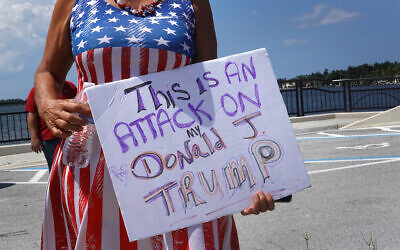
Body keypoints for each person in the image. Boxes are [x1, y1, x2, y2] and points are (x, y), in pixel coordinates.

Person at [34, 0, 275, 249]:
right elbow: (48, 71)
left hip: (181, 164)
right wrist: (46, 105)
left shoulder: (193, 2)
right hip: (90, 165)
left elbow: (210, 87)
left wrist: (242, 180)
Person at [25, 81, 77, 170]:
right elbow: (32, 114)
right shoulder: (37, 90)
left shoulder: (70, 86)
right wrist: (35, 138)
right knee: (55, 168)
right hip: (49, 138)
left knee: (74, 167)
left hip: (71, 135)